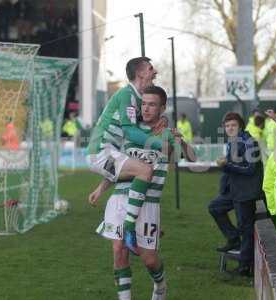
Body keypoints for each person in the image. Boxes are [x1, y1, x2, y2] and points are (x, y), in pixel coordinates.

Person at [89, 85, 196, 300]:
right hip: (120, 198)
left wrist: (180, 141)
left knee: (149, 259)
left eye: (152, 105)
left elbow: (193, 158)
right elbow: (120, 166)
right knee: (119, 250)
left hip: (148, 203)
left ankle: (161, 284)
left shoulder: (166, 134)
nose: (146, 108)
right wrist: (101, 188)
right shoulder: (130, 132)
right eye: (143, 104)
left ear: (162, 108)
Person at [87, 57, 167, 254]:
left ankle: (131, 226)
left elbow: (142, 128)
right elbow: (131, 132)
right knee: (145, 170)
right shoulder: (126, 95)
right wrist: (160, 142)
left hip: (110, 154)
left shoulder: (137, 98)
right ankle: (130, 228)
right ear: (140, 74)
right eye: (150, 68)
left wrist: (100, 188)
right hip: (101, 152)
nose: (155, 71)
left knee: (141, 170)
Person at [208, 112, 263, 276]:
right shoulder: (232, 141)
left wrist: (228, 165)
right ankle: (233, 239)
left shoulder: (249, 142)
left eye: (233, 125)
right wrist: (224, 185)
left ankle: (245, 266)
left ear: (240, 126)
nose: (230, 128)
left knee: (245, 228)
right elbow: (231, 165)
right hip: (233, 190)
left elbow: (250, 169)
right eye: (227, 126)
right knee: (214, 208)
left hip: (246, 192)